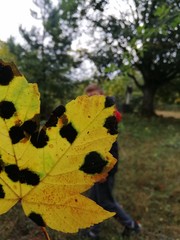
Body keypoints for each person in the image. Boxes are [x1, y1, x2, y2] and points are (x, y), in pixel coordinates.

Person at [80, 83, 142, 239]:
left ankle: (132, 226)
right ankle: (94, 231)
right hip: (95, 167)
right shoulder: (94, 117)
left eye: (95, 96)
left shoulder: (108, 117)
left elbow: (108, 149)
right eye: (89, 97)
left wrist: (104, 170)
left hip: (104, 168)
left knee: (106, 202)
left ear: (102, 96)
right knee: (94, 200)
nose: (92, 100)